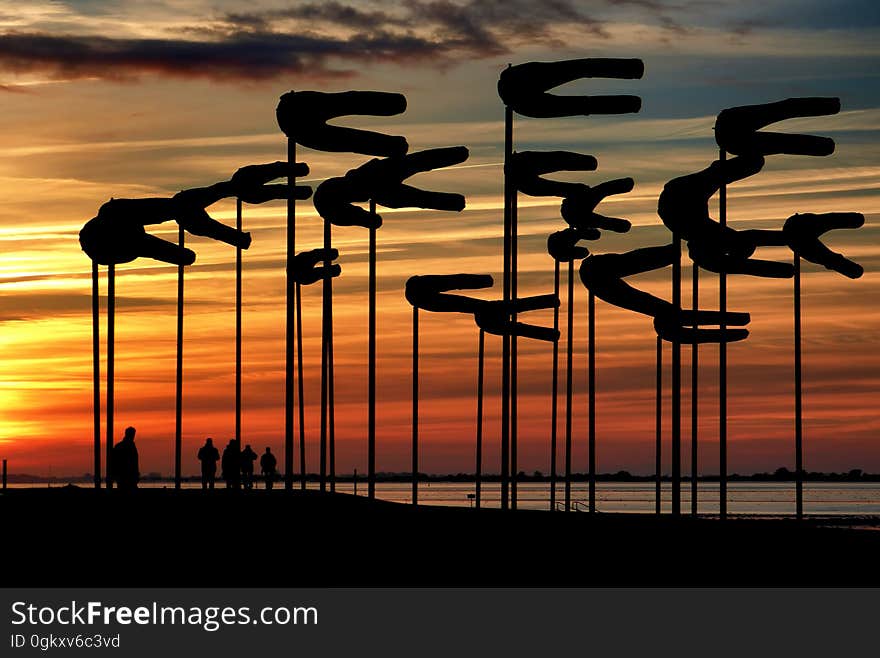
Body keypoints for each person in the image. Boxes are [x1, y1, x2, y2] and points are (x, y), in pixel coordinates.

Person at [112, 426, 139, 491]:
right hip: (126, 477)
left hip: (124, 477)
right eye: (132, 434)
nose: (133, 436)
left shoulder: (119, 446)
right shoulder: (129, 446)